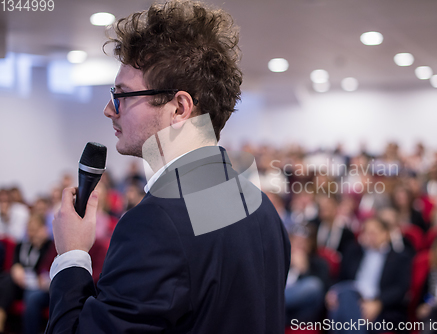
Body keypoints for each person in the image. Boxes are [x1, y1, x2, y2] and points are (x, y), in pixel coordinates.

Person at [47, 1, 290, 333]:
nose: (109, 109)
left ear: (178, 108)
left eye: (123, 95)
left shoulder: (154, 224)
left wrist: (72, 255)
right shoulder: (257, 204)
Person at [325, 217, 412, 334]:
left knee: (340, 312)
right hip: (351, 297)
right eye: (365, 232)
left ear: (385, 234)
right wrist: (332, 291)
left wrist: (378, 303)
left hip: (380, 307)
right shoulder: (353, 252)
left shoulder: (399, 257)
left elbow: (400, 288)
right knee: (345, 296)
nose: (369, 236)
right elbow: (340, 278)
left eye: (373, 232)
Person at [0, 214, 55, 334]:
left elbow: (44, 270)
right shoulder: (21, 245)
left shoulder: (49, 246)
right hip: (21, 283)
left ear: (43, 229)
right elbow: (15, 263)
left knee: (31, 297)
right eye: (29, 229)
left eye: (35, 229)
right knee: (6, 279)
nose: (32, 233)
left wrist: (39, 245)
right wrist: (16, 268)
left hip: (40, 286)